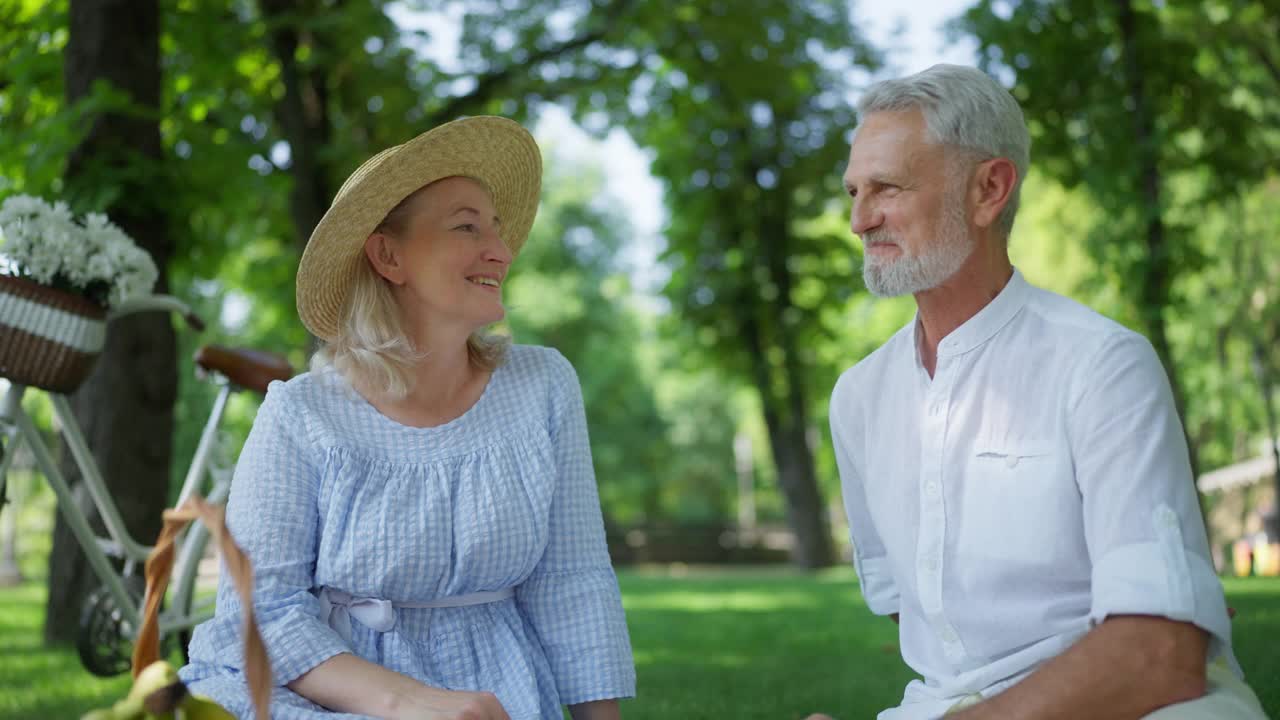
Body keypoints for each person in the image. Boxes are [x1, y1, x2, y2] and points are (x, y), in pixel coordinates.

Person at [816, 65, 1268, 719]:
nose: (859, 221)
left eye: (885, 188)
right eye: (854, 192)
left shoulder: (1102, 364)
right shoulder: (857, 399)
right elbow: (906, 607)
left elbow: (1159, 656)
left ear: (989, 190)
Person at [179, 116, 636, 720]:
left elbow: (572, 582)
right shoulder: (301, 413)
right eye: (467, 226)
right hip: (327, 688)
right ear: (388, 254)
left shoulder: (543, 385)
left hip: (498, 693)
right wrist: (410, 702)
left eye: (496, 228)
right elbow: (262, 613)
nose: (500, 250)